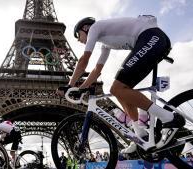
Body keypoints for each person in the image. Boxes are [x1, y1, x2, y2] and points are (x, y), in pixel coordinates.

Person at [56, 15, 185, 153]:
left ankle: (169, 118)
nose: (78, 39)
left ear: (85, 28)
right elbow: (97, 70)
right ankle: (139, 134)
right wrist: (81, 88)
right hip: (152, 40)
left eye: (78, 35)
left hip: (151, 37)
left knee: (117, 88)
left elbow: (84, 59)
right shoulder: (105, 44)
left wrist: (70, 85)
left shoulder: (95, 27)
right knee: (118, 90)